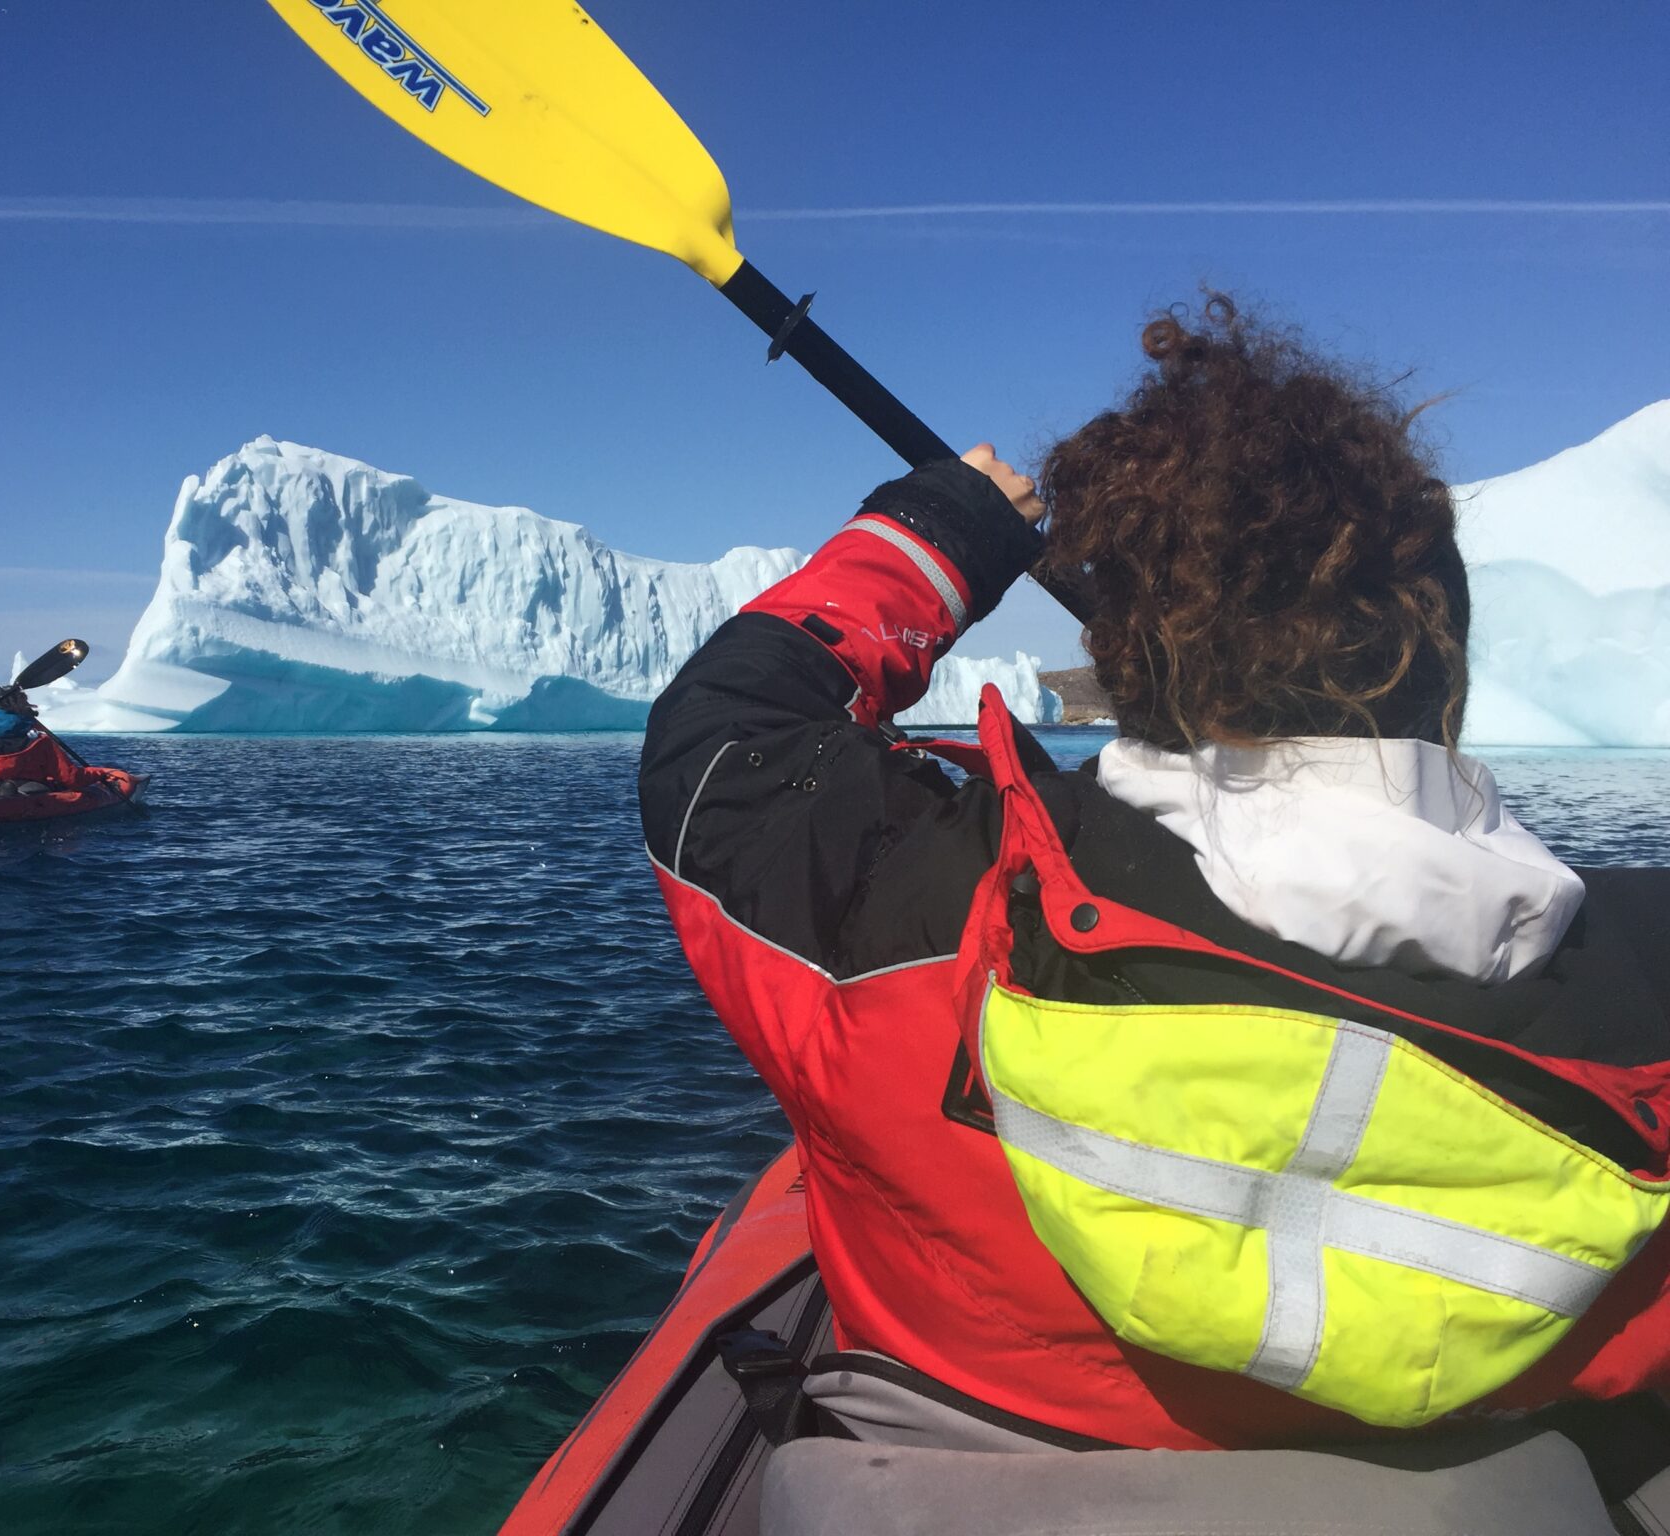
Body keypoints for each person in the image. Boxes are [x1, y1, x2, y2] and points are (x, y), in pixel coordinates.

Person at [639, 295, 1670, 1452]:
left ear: (1124, 655)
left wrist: (938, 535)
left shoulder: (919, 923)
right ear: (1442, 657)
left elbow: (722, 742)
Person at [0, 691, 114, 791]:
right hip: (32, 790)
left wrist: (27, 723)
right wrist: (98, 773)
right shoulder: (41, 743)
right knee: (43, 788)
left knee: (0, 784)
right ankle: (10, 793)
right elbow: (71, 778)